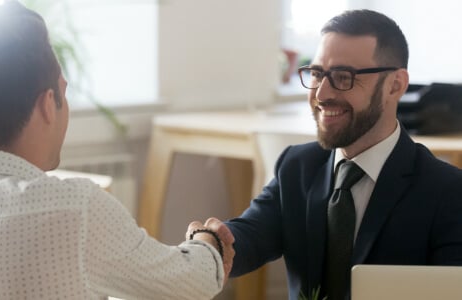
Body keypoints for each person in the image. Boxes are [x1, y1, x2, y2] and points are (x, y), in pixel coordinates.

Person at [0, 2, 233, 299]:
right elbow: (193, 283)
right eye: (64, 94)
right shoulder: (77, 211)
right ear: (47, 104)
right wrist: (206, 239)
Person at [193, 9, 462, 300]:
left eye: (343, 77)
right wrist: (213, 243)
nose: (321, 94)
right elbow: (249, 236)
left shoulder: (447, 192)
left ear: (395, 85)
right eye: (317, 73)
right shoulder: (297, 167)